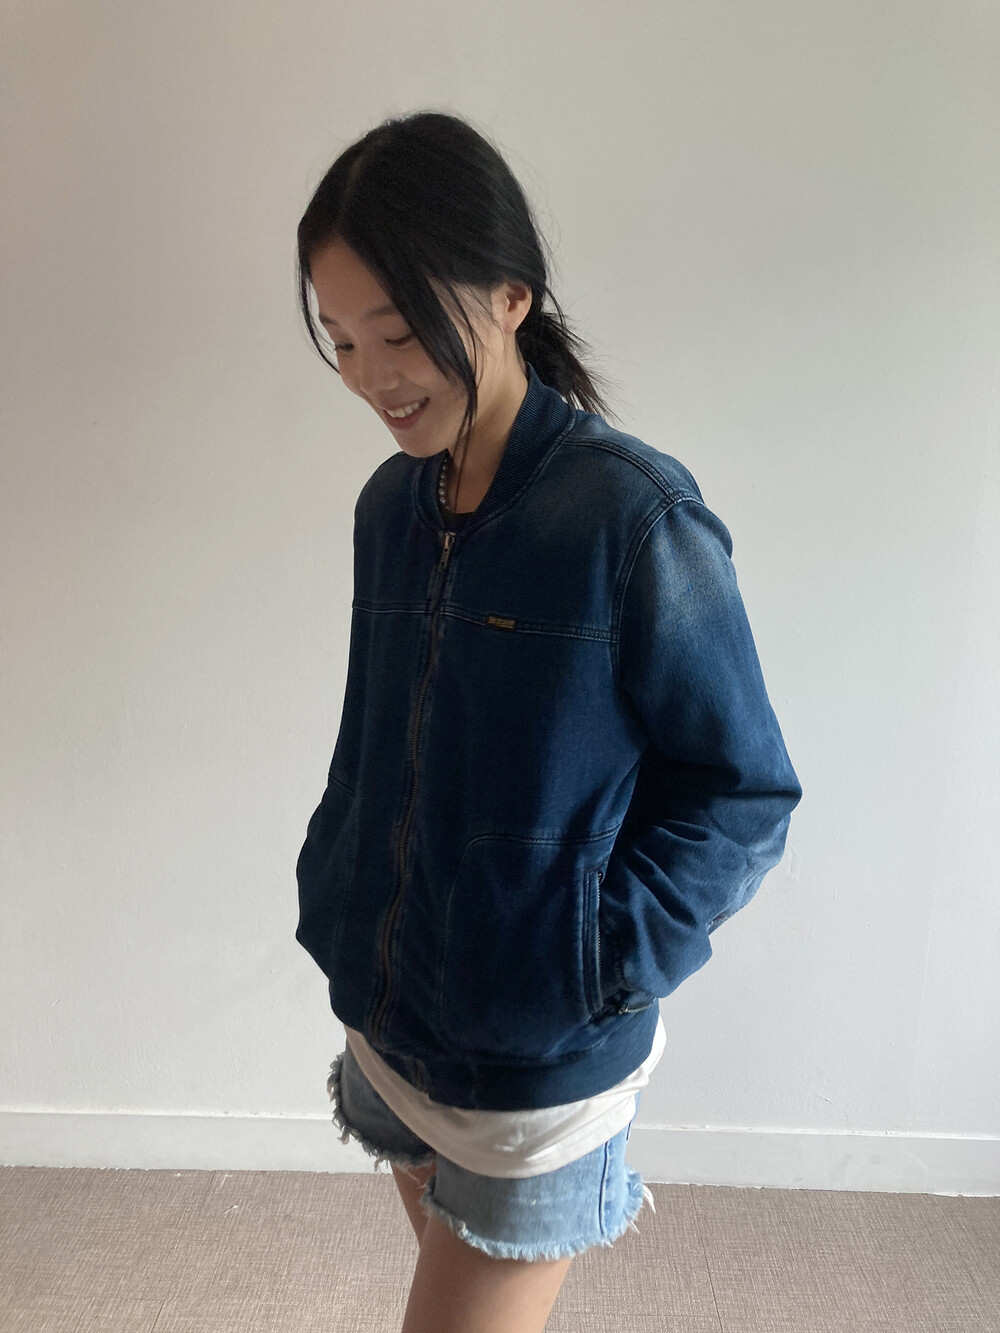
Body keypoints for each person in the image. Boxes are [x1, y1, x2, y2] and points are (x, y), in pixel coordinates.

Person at [293, 109, 802, 1333]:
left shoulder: (628, 517)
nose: (370, 376)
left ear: (510, 295)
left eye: (399, 333)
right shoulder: (389, 508)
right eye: (341, 340)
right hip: (389, 1024)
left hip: (536, 1069)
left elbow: (741, 793)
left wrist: (598, 958)